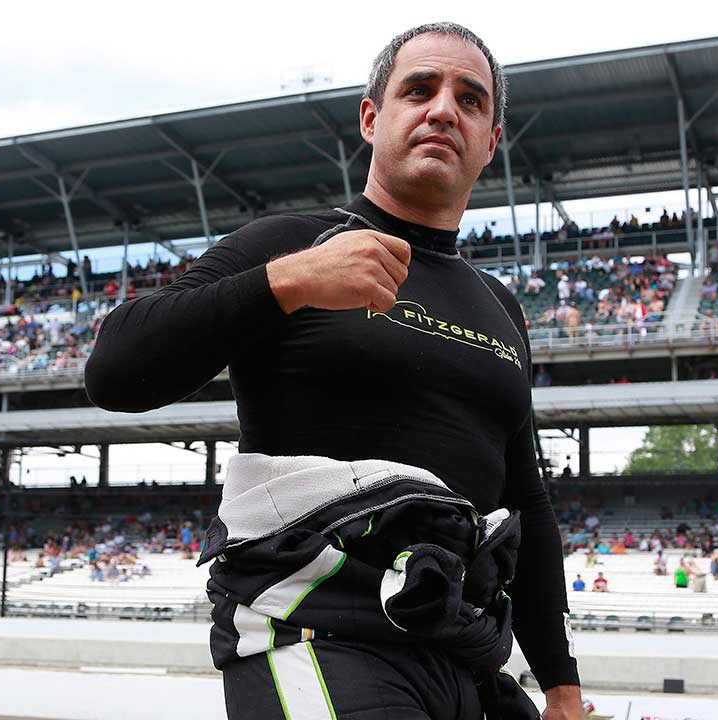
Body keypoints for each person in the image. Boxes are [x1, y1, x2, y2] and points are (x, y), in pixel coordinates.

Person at [84, 23, 580, 719]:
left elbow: (527, 499)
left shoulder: (501, 308)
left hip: (462, 648)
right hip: (316, 630)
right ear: (372, 118)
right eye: (419, 89)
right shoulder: (294, 244)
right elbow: (113, 371)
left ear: (491, 140)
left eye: (470, 100)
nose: (444, 109)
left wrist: (561, 686)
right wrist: (287, 282)